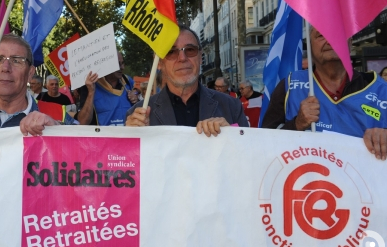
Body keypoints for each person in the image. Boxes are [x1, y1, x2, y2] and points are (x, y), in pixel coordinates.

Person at [261, 27, 387, 160]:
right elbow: (263, 147)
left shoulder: (380, 90)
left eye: (337, 34)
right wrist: (296, 124)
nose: (330, 41)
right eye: (321, 35)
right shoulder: (289, 86)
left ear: (350, 41)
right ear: (309, 44)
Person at [125, 26, 248, 135]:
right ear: (159, 62)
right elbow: (131, 159)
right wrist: (130, 138)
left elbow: (248, 155)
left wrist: (232, 136)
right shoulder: (138, 115)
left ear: (200, 57)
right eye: (171, 52)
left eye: (190, 50)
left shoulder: (231, 107)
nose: (182, 58)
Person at [76, 52, 139, 126]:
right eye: (118, 64)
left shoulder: (127, 80)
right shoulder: (91, 84)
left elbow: (139, 92)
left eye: (122, 63)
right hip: (104, 136)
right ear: (107, 64)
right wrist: (91, 92)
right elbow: (83, 122)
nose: (122, 67)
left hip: (128, 136)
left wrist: (135, 95)